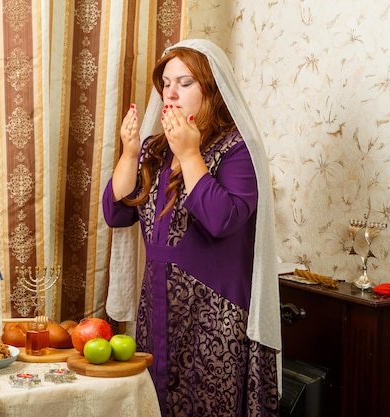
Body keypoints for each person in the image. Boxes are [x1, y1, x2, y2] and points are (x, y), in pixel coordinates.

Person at [102, 39, 281, 417]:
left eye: (184, 83)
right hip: (159, 305)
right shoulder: (155, 149)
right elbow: (117, 213)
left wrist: (189, 154)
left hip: (215, 312)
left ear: (210, 88)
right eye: (166, 83)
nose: (171, 92)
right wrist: (131, 152)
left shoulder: (237, 149)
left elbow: (223, 220)